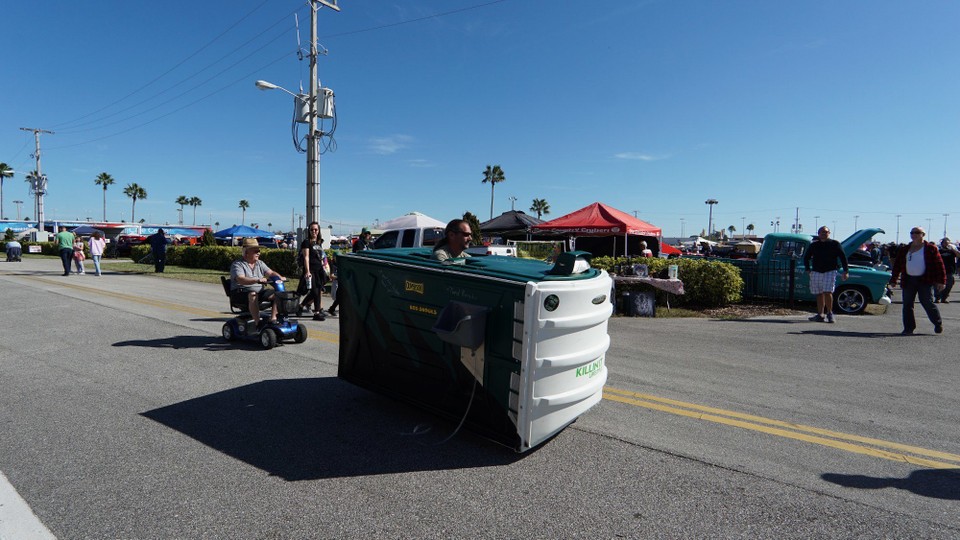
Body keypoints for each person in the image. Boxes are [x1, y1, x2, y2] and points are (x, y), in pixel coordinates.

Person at [889, 227, 945, 335]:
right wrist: (893, 280)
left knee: (927, 302)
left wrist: (941, 281)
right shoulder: (905, 249)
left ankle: (937, 323)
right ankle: (908, 328)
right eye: (912, 233)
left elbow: (939, 265)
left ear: (923, 234)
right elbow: (897, 266)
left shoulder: (930, 248)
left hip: (925, 280)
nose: (914, 234)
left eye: (917, 232)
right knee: (907, 304)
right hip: (908, 280)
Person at [230, 238, 285, 325]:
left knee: (279, 294)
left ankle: (273, 318)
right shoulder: (238, 264)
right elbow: (241, 279)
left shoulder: (260, 263)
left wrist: (279, 277)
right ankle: (257, 323)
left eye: (259, 251)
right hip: (240, 292)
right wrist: (257, 280)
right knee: (252, 294)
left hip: (259, 291)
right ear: (246, 252)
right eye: (255, 251)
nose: (258, 253)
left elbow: (270, 273)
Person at [802, 226, 849, 323]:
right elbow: (806, 257)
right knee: (819, 293)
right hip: (816, 271)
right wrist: (807, 269)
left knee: (828, 292)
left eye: (826, 232)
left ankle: (830, 313)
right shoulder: (814, 245)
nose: (824, 233)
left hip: (830, 271)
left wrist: (846, 271)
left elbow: (843, 257)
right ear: (818, 234)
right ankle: (820, 314)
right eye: (822, 232)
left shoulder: (835, 244)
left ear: (829, 233)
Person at [297, 222, 327, 321]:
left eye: (316, 230)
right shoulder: (306, 242)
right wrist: (307, 271)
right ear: (309, 231)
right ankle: (317, 313)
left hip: (319, 270)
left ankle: (301, 306)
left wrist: (325, 266)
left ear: (318, 231)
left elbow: (321, 256)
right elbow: (306, 257)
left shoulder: (318, 242)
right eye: (312, 230)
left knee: (318, 290)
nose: (314, 231)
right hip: (311, 270)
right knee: (315, 291)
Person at [935, 238, 958, 303]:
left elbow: (958, 255)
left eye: (948, 243)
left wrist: (953, 249)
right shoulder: (939, 251)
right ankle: (937, 297)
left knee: (949, 285)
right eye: (945, 243)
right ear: (942, 243)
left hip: (949, 270)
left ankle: (944, 297)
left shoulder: (951, 251)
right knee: (938, 284)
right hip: (940, 270)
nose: (946, 244)